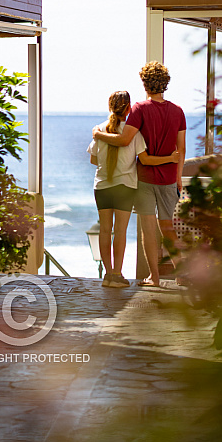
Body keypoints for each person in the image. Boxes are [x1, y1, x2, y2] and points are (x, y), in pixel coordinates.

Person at [93, 62, 186, 287]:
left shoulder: (139, 109)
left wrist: (97, 134)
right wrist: (179, 177)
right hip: (168, 177)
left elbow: (125, 139)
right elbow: (181, 149)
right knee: (167, 228)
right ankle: (182, 275)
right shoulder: (178, 111)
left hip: (144, 178)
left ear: (144, 83)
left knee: (148, 228)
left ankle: (154, 277)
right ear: (165, 84)